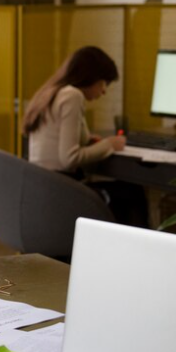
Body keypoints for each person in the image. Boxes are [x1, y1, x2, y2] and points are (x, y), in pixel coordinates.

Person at [24, 46, 148, 227]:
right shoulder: (73, 96)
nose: (104, 91)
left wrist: (87, 140)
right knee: (132, 192)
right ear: (90, 77)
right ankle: (139, 252)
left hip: (42, 187)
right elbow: (69, 158)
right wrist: (110, 144)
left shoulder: (51, 92)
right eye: (104, 83)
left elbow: (55, 140)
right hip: (61, 190)